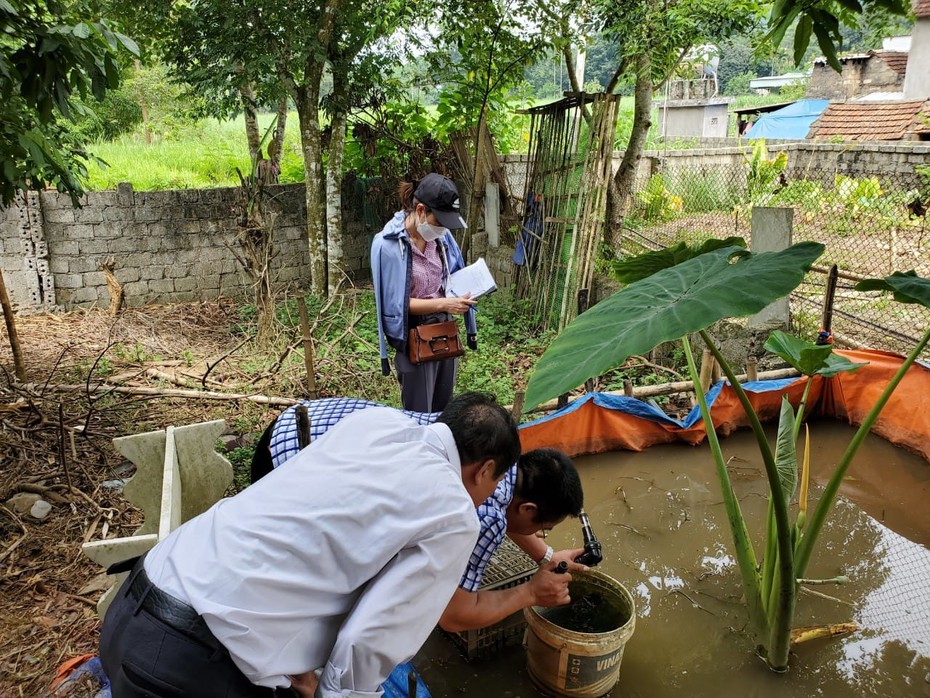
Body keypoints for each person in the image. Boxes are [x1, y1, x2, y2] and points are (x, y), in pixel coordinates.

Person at [99, 392, 522, 698]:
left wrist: (303, 676)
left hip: (133, 604)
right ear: (485, 469)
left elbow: (303, 540)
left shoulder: (377, 425)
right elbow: (367, 642)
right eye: (499, 480)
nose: (495, 491)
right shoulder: (453, 512)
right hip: (188, 668)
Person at [251, 397, 587, 633]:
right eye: (543, 528)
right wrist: (530, 593)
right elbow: (453, 616)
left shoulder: (492, 449)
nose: (540, 535)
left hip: (300, 421)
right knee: (310, 579)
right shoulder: (487, 512)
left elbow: (508, 510)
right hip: (289, 465)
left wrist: (545, 557)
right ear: (528, 509)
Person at [371, 173, 477, 412]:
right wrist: (444, 304)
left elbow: (450, 277)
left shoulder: (443, 238)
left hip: (444, 330)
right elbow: (394, 305)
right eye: (439, 222)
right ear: (420, 210)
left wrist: (462, 296)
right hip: (413, 334)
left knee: (444, 409)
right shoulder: (387, 245)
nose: (442, 230)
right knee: (418, 413)